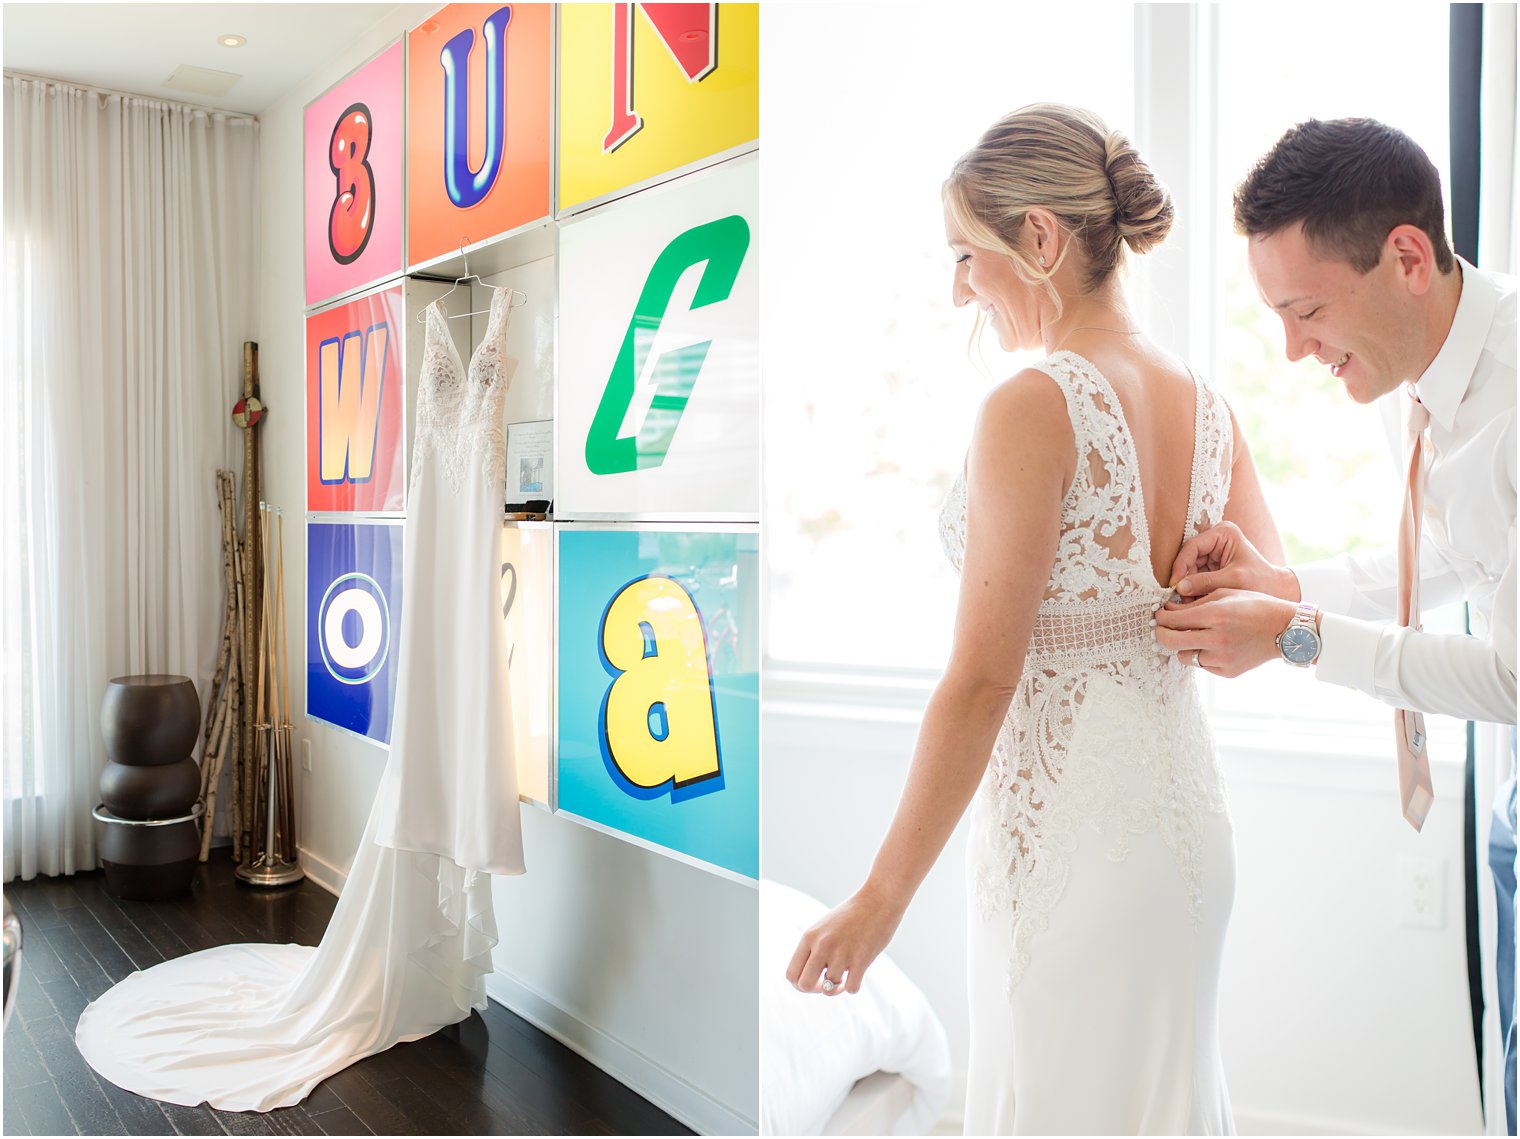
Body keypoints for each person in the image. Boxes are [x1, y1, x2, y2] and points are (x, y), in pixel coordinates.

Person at [785, 103, 1283, 1134]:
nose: (961, 285)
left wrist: (879, 897)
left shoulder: (1033, 402)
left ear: (1041, 239)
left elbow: (979, 680)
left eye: (966, 254)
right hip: (1184, 835)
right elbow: (1273, 600)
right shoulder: (1207, 403)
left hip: (1071, 849)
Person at [1154, 117, 1517, 1129]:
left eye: (1304, 309)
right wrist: (1284, 582)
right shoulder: (1442, 373)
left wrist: (1293, 637)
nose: (1290, 349)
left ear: (1402, 255)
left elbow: (1511, 679)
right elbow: (1461, 555)